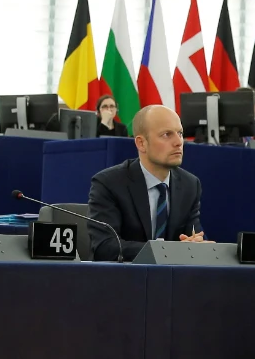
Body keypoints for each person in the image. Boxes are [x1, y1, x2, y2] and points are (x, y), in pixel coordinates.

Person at [87, 105, 206, 262]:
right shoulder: (109, 183)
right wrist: (166, 251)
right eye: (166, 135)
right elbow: (105, 247)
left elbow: (193, 236)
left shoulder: (190, 185)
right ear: (141, 143)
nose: (179, 142)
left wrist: (197, 245)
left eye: (180, 133)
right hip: (125, 275)